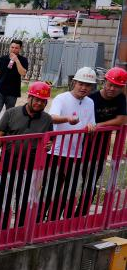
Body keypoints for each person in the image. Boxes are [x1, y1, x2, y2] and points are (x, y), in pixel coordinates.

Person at [0, 82, 54, 230]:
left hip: (31, 161)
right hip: (9, 159)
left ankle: (20, 227)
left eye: (43, 101)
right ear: (29, 98)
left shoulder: (47, 119)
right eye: (37, 99)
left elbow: (50, 138)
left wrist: (49, 145)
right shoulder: (11, 113)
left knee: (25, 195)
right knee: (4, 194)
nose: (39, 103)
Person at [41, 68, 97, 221]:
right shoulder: (61, 98)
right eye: (81, 83)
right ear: (74, 82)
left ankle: (54, 221)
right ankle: (39, 222)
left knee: (70, 190)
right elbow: (51, 117)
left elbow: (92, 123)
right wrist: (67, 119)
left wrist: (92, 127)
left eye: (88, 85)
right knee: (50, 188)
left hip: (76, 153)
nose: (84, 88)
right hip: (57, 152)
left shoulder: (90, 102)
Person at [82, 67, 127, 211]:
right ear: (104, 82)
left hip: (101, 145)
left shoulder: (121, 98)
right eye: (110, 84)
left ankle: (82, 212)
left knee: (93, 178)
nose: (112, 89)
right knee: (77, 176)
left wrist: (99, 125)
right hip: (83, 144)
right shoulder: (92, 99)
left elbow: (121, 120)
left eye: (117, 86)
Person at [0, 40, 28, 136]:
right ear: (9, 47)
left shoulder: (23, 60)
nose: (14, 49)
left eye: (16, 48)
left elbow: (23, 73)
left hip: (12, 92)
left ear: (20, 49)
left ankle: (5, 134)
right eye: (12, 47)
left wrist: (16, 60)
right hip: (0, 90)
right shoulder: (3, 58)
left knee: (9, 114)